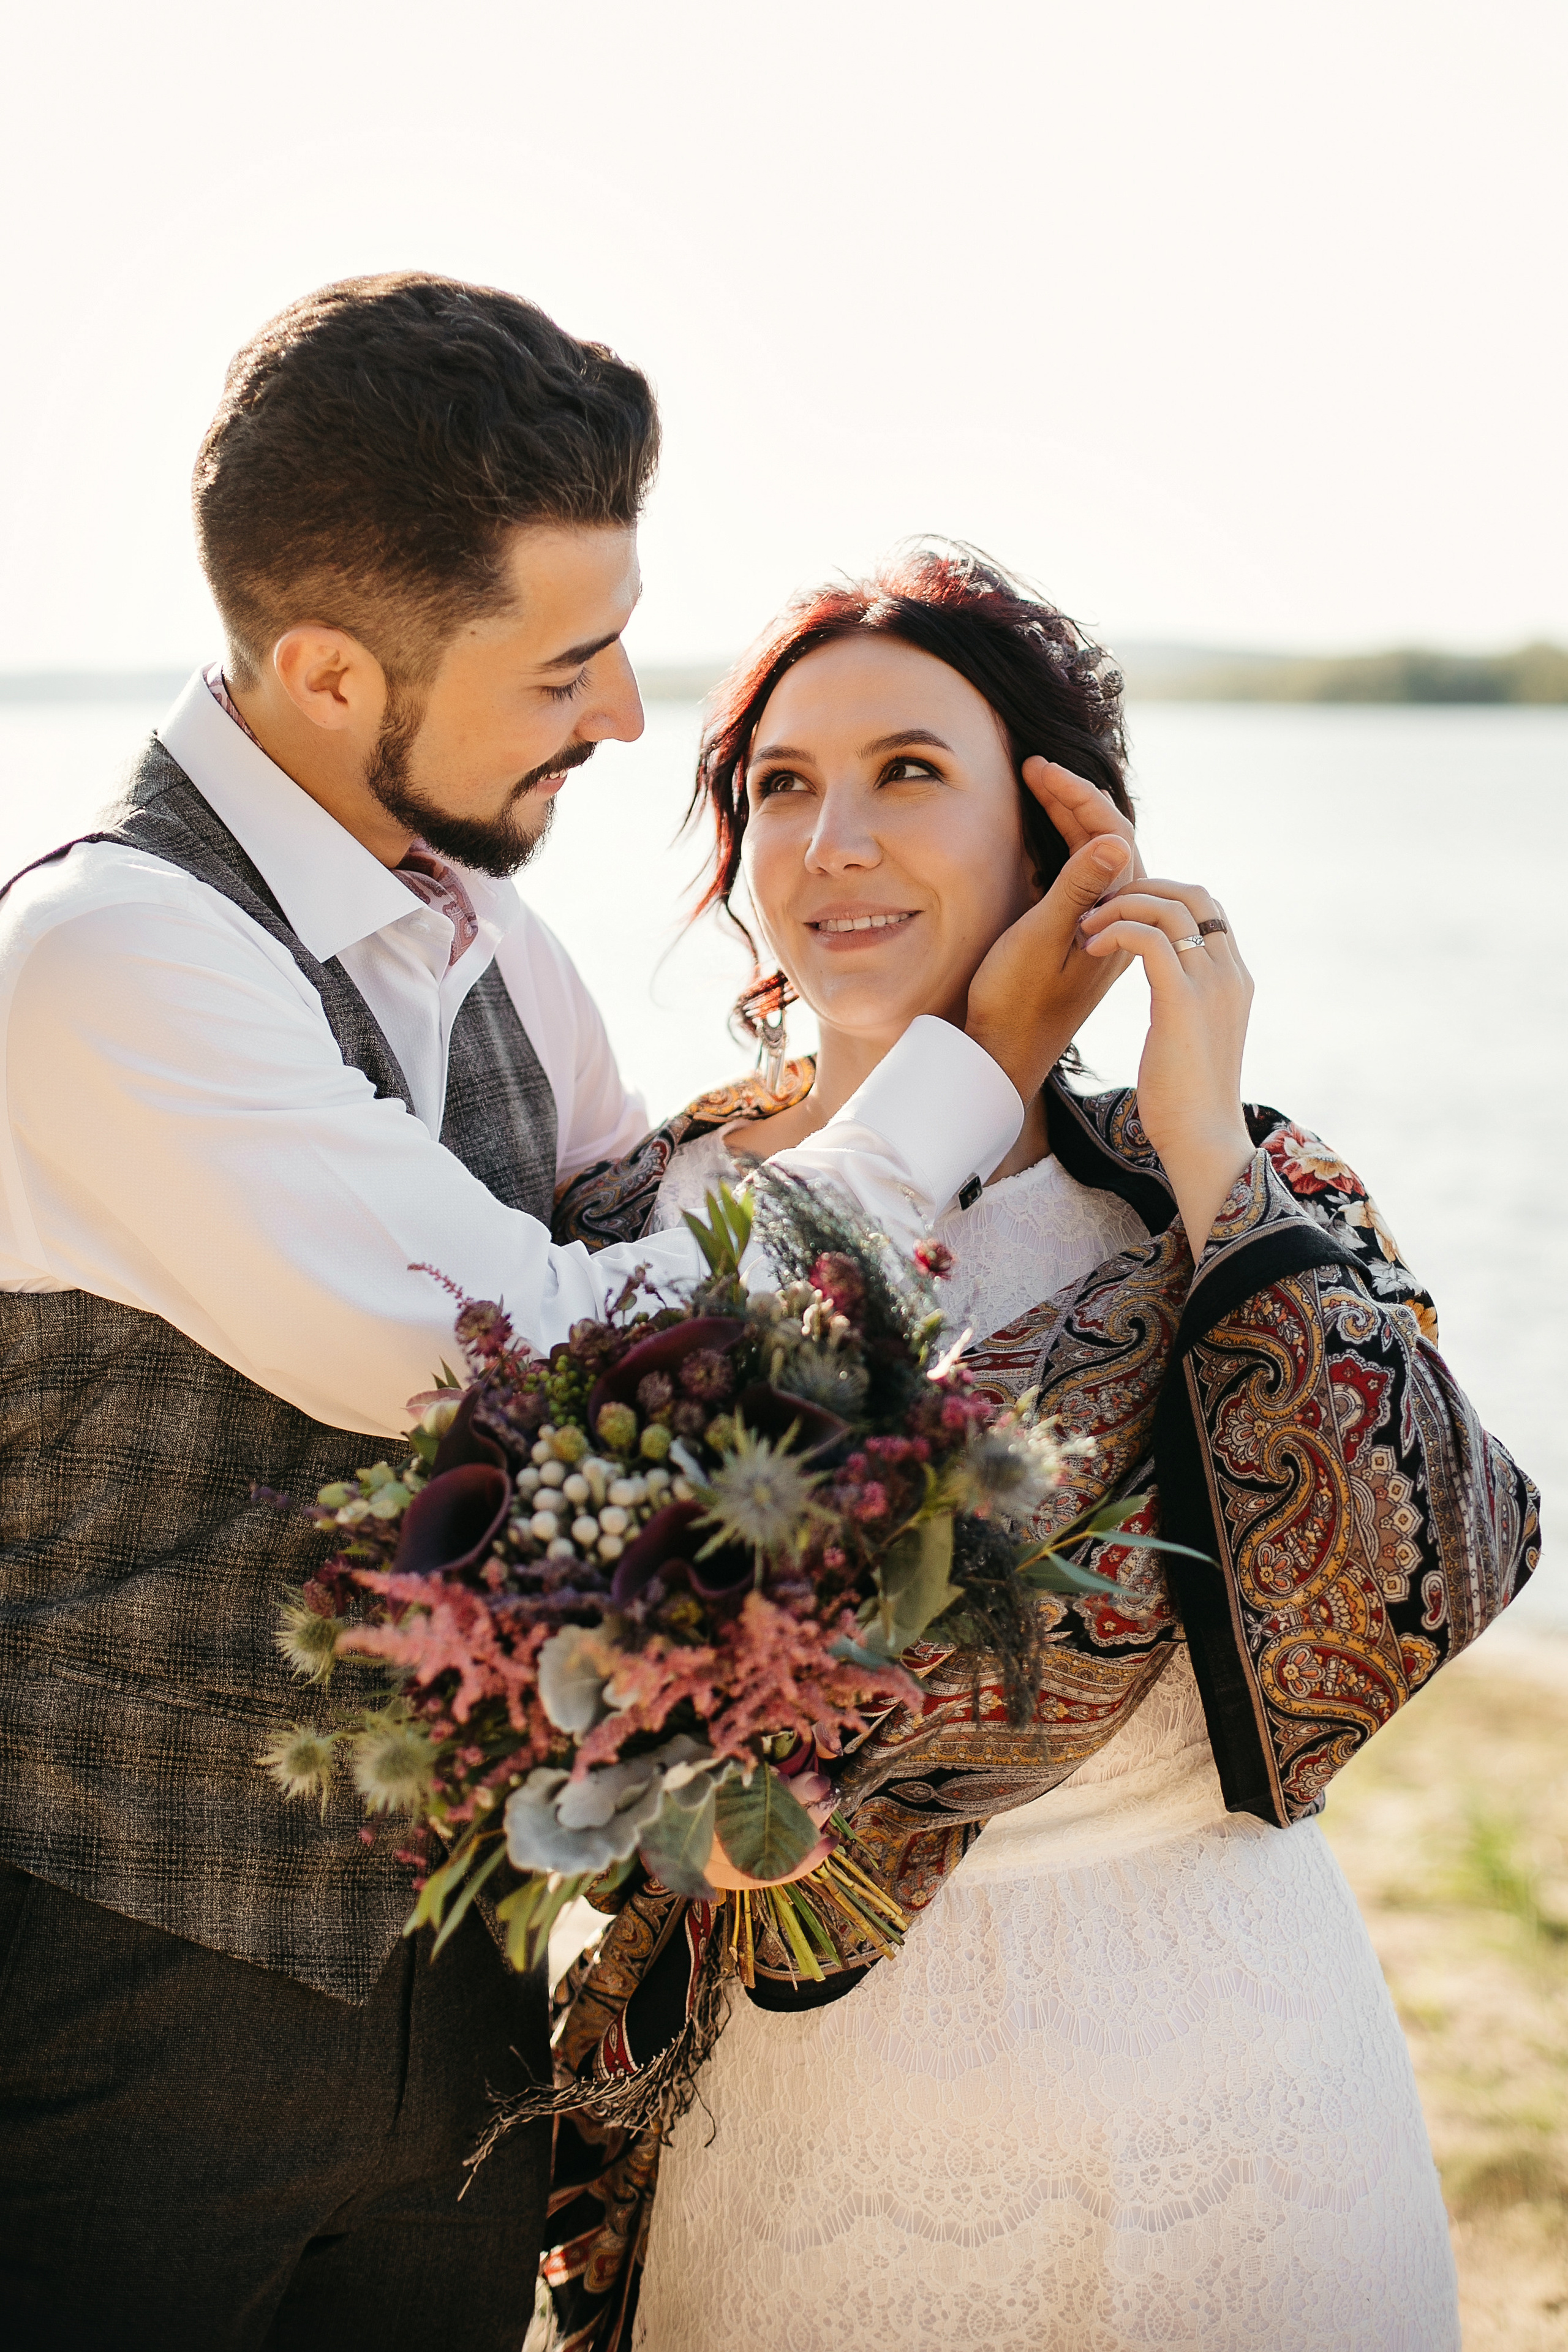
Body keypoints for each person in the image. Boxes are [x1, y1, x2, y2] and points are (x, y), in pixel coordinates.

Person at [0, 289, 1123, 2350]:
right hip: (110, 1999)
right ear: (332, 673)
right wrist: (965, 1066)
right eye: (566, 663)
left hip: (465, 2013)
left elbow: (694, 1241)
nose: (623, 719)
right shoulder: (100, 962)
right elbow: (581, 1365)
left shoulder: (501, 946)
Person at [541, 544, 1538, 2351]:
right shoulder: (645, 1212)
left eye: (908, 771)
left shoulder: (1231, 1187)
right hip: (818, 2108)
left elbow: (1413, 1588)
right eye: (781, 786)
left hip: (1242, 2075)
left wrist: (1214, 1144)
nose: (833, 837)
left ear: (1057, 834)